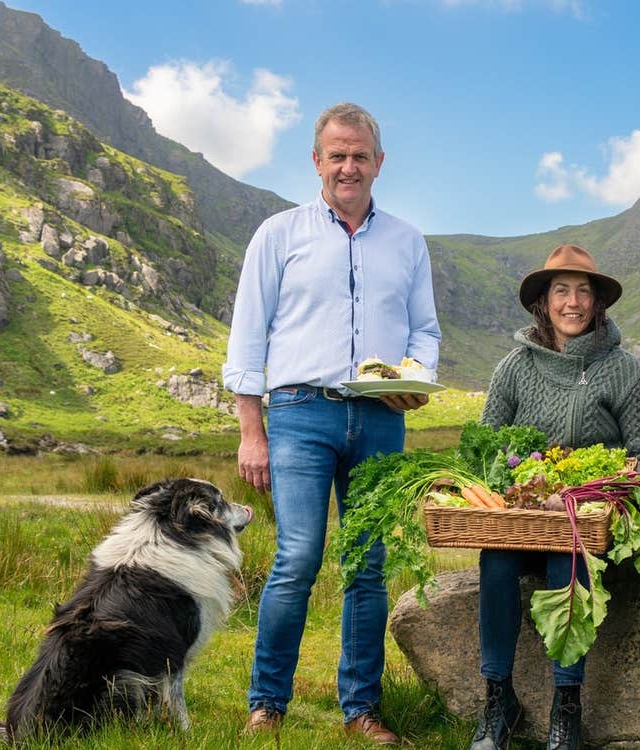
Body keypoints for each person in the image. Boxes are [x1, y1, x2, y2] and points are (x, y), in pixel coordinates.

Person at [222, 102, 441, 744]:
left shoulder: (407, 241)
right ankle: (268, 702)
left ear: (379, 162)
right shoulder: (279, 234)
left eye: (360, 155)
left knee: (369, 564)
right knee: (296, 558)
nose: (349, 165)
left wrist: (415, 378)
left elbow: (425, 330)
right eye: (337, 154)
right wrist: (250, 431)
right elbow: (247, 337)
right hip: (298, 413)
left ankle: (361, 709)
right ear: (317, 162)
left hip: (380, 417)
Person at [472, 244, 640, 750]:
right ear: (543, 302)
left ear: (598, 302)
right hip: (523, 519)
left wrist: (617, 495)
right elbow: (485, 443)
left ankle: (565, 708)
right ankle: (498, 701)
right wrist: (512, 486)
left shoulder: (621, 369)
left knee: (567, 562)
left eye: (583, 291)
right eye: (561, 291)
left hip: (586, 523)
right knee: (495, 562)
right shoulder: (514, 368)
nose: (572, 303)